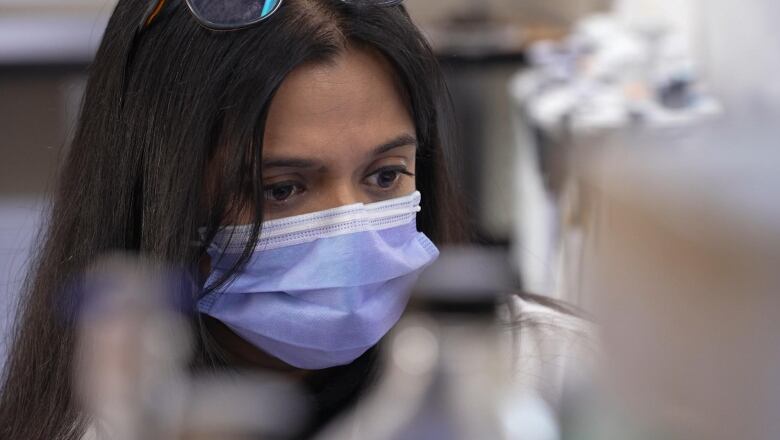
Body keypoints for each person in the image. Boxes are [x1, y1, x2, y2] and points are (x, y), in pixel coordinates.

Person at [0, 1, 591, 439]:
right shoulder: (109, 421)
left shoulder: (550, 378)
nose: (350, 226)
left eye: (385, 175)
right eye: (282, 189)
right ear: (161, 197)